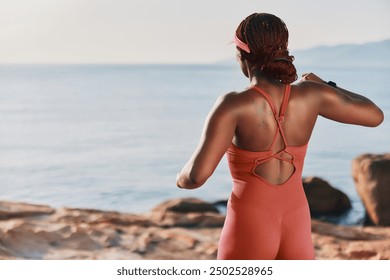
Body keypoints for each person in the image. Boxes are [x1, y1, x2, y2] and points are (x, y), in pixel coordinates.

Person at [176, 13, 384, 260]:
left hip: (249, 224)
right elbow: (375, 115)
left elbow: (196, 177)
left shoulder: (232, 104)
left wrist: (180, 177)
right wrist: (326, 85)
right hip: (297, 221)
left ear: (243, 55)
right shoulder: (312, 94)